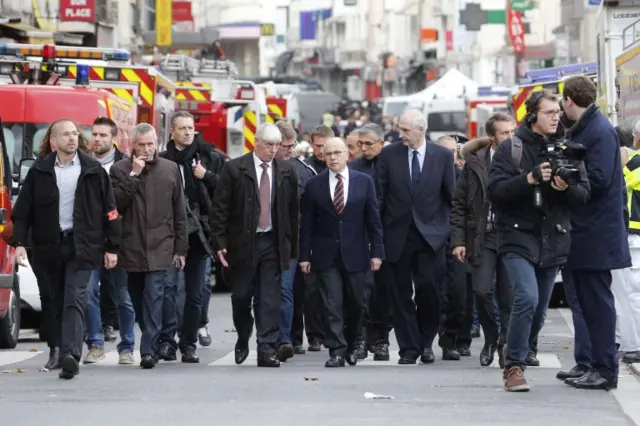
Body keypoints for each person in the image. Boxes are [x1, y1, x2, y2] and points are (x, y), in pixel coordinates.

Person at [488, 89, 591, 392]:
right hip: (517, 235)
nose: (555, 117)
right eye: (549, 112)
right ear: (533, 115)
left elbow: (584, 195)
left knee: (539, 310)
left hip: (554, 237)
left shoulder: (569, 148)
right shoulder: (512, 149)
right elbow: (495, 192)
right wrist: (529, 179)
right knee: (527, 298)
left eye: (558, 112)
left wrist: (564, 187)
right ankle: (514, 367)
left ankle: (515, 347)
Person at [12, 118, 121, 379]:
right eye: (66, 134)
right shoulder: (39, 170)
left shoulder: (93, 169)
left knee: (75, 297)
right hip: (47, 246)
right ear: (54, 141)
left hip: (82, 245)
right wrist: (19, 244)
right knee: (52, 301)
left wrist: (112, 247)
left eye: (75, 134)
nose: (72, 138)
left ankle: (71, 354)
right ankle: (56, 349)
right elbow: (23, 212)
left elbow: (111, 210)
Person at [557, 76, 630, 390]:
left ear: (569, 100)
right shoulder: (589, 128)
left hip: (595, 233)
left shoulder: (599, 131)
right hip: (585, 231)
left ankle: (604, 370)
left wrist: (565, 178)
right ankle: (590, 364)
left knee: (597, 304)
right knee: (585, 302)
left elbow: (598, 180)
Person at [210, 122, 299, 367]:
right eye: (269, 144)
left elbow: (293, 213)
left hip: (273, 242)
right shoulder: (235, 169)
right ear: (256, 142)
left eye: (277, 145)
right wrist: (219, 243)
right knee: (241, 296)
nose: (273, 150)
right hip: (243, 243)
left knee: (269, 298)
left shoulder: (286, 171)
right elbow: (219, 209)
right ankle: (243, 335)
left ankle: (266, 348)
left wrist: (292, 248)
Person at [376, 109, 455, 364]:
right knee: (399, 295)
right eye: (400, 129)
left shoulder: (442, 156)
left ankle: (426, 342)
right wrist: (376, 235)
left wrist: (449, 233)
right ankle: (409, 348)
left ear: (421, 130)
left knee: (429, 292)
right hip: (396, 235)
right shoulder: (389, 154)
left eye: (406, 130)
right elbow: (379, 195)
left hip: (431, 237)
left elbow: (450, 197)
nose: (401, 135)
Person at [299, 137, 384, 367]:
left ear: (348, 155)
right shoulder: (314, 185)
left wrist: (377, 252)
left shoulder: (364, 182)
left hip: (357, 254)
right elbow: (307, 224)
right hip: (326, 255)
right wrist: (305, 255)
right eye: (328, 154)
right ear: (323, 157)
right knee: (331, 304)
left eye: (337, 152)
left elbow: (373, 221)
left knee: (357, 303)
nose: (333, 157)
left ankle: (354, 339)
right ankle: (336, 349)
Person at [110, 123, 188, 369]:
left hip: (161, 245)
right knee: (137, 297)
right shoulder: (119, 169)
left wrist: (181, 248)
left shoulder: (170, 169)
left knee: (154, 296)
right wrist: (134, 174)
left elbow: (179, 211)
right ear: (133, 145)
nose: (146, 149)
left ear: (157, 143)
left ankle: (148, 351)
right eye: (141, 145)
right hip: (131, 246)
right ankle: (150, 338)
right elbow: (117, 204)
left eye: (150, 144)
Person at [158, 111, 224, 363]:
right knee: (169, 290)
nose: (188, 132)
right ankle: (167, 341)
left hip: (199, 235)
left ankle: (188, 343)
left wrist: (205, 176)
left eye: (191, 128)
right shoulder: (162, 160)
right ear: (172, 132)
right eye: (182, 128)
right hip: (170, 234)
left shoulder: (209, 157)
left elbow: (225, 191)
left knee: (196, 294)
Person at [452, 113, 516, 368]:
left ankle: (503, 342)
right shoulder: (475, 162)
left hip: (512, 235)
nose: (510, 138)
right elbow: (459, 204)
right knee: (481, 290)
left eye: (513, 132)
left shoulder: (521, 159)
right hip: (482, 235)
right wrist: (458, 240)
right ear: (492, 137)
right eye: (504, 133)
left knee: (509, 297)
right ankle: (491, 337)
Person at [82, 117, 136, 366]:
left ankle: (127, 346)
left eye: (103, 135)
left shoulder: (126, 165)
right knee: (89, 293)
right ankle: (95, 344)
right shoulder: (82, 164)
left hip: (120, 242)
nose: (97, 139)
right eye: (94, 134)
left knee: (122, 296)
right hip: (90, 242)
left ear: (113, 138)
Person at [350, 123, 389, 360]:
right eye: (360, 144)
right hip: (359, 237)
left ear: (381, 143)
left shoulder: (390, 165)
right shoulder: (354, 167)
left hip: (385, 236)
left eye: (368, 144)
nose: (363, 148)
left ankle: (381, 339)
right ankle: (361, 338)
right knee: (360, 292)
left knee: (382, 292)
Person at [436, 135, 473, 360]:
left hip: (460, 242)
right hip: (435, 242)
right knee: (439, 294)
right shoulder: (428, 177)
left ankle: (462, 338)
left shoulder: (464, 177)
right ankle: (445, 340)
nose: (449, 156)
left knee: (462, 294)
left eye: (453, 151)